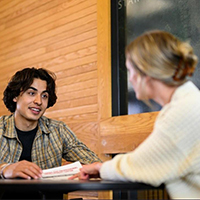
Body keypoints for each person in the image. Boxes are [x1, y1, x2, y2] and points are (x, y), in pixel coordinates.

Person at [75, 30, 200, 199]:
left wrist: (101, 168)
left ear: (146, 72)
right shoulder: (186, 103)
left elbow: (144, 163)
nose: (131, 79)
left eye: (130, 70)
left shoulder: (185, 110)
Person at [0, 67, 101, 199]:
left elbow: (94, 163)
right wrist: (4, 169)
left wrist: (80, 170)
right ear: (15, 96)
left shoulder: (58, 130)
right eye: (31, 93)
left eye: (44, 95)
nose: (39, 101)